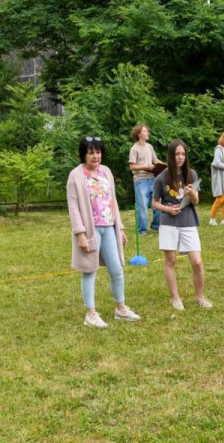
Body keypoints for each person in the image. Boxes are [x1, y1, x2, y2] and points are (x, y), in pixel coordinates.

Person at [68, 136, 142, 328]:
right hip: (90, 231)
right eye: (91, 152)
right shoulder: (76, 176)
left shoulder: (106, 172)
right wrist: (80, 233)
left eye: (98, 152)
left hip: (109, 227)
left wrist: (121, 228)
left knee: (116, 269)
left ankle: (121, 308)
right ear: (83, 155)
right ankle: (90, 314)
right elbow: (73, 207)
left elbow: (113, 201)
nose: (95, 156)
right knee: (89, 270)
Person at [152, 139, 211, 310]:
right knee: (170, 260)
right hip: (169, 222)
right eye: (177, 154)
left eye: (183, 154)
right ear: (171, 156)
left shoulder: (191, 174)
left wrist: (191, 193)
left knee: (197, 262)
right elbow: (155, 203)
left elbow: (197, 201)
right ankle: (175, 298)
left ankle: (199, 297)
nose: (180, 157)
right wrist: (167, 209)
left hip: (188, 221)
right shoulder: (161, 178)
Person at [129, 123, 160, 235]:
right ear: (139, 134)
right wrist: (146, 167)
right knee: (142, 206)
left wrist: (166, 165)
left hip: (152, 178)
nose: (147, 133)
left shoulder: (150, 147)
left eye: (147, 131)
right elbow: (132, 167)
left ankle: (156, 226)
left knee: (157, 203)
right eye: (145, 131)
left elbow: (155, 160)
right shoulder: (134, 149)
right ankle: (142, 230)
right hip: (140, 180)